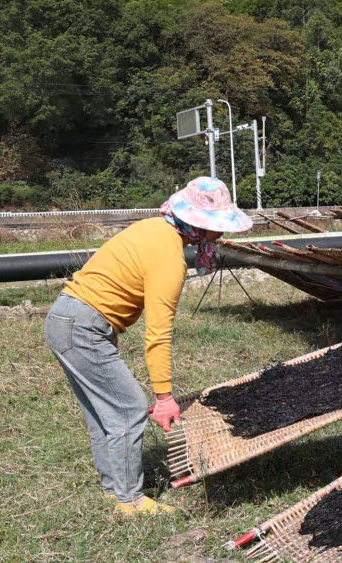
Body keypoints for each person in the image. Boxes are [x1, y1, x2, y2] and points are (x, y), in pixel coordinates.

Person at [43, 177, 252, 515]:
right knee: (129, 409)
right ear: (199, 225)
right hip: (82, 327)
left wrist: (107, 328)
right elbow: (157, 333)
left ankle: (115, 492)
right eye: (217, 226)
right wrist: (164, 397)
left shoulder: (154, 228)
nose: (221, 234)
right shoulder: (169, 256)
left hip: (67, 318)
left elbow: (109, 278)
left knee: (106, 413)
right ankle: (130, 501)